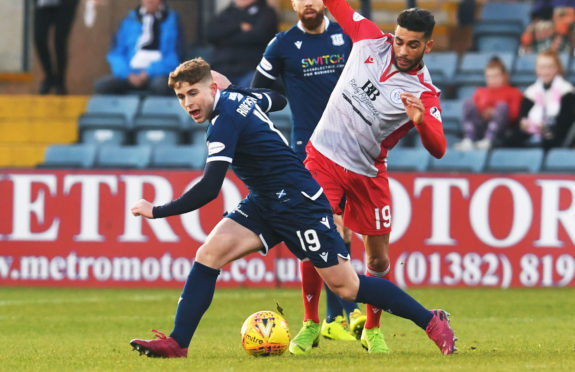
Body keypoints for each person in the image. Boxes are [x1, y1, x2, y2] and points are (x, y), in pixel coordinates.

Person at [128, 57, 456, 359]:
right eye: (182, 97)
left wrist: (156, 211)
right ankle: (177, 343)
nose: (188, 104)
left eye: (193, 93)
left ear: (212, 87)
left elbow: (210, 188)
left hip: (300, 203)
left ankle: (432, 321)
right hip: (265, 199)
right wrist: (237, 91)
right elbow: (278, 100)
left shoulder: (223, 120)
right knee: (208, 255)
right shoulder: (241, 99)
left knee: (346, 286)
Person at [292, 0, 448, 354]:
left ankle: (372, 329)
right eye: (399, 40)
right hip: (324, 157)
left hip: (367, 173)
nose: (403, 49)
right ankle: (311, 323)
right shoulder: (367, 38)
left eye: (413, 44)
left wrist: (422, 122)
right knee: (313, 238)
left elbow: (438, 148)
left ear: (428, 46)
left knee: (377, 260)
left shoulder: (424, 92)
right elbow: (336, 5)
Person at [251, 0, 364, 345]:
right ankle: (342, 314)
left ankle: (329, 319)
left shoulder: (347, 37)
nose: (308, 3)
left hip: (349, 150)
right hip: (309, 154)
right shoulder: (281, 45)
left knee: (338, 234)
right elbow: (259, 93)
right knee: (325, 228)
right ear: (293, 4)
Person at [94, 0, 183, 96]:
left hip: (158, 74)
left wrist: (148, 73)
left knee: (161, 86)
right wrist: (127, 74)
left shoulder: (172, 20)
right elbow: (116, 53)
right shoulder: (128, 20)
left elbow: (175, 57)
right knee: (103, 86)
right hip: (130, 74)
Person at [454, 57, 523, 151]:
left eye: (496, 76)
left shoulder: (514, 92)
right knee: (468, 104)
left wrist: (494, 112)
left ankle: (489, 140)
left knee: (502, 106)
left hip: (501, 130)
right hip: (481, 126)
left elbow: (514, 115)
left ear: (505, 76)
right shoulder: (480, 91)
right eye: (489, 76)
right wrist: (484, 112)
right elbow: (474, 111)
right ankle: (469, 139)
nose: (492, 79)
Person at [206, 0, 278, 87]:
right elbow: (210, 33)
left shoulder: (266, 13)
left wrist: (224, 38)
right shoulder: (228, 12)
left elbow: (257, 36)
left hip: (250, 69)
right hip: (221, 67)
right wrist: (238, 26)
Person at [515, 49, 575, 149]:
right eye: (542, 67)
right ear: (537, 69)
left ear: (557, 68)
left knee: (550, 139)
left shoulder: (566, 90)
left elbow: (566, 120)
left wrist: (547, 126)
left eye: (550, 67)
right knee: (511, 139)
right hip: (533, 130)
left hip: (556, 132)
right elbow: (523, 116)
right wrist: (524, 123)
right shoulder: (531, 91)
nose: (546, 71)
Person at [34, 0, 80, 95]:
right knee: (39, 38)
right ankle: (49, 77)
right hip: (43, 4)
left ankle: (60, 82)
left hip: (66, 4)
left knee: (59, 42)